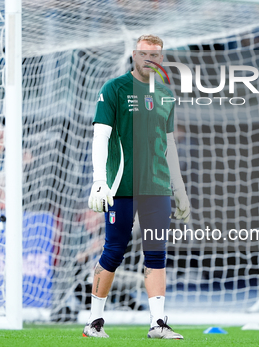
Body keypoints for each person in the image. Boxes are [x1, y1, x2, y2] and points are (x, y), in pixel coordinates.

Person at [83, 34, 190, 339]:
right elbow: (100, 136)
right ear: (134, 55)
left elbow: (168, 145)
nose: (149, 60)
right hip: (122, 185)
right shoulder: (114, 89)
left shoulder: (166, 94)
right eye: (144, 54)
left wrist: (178, 188)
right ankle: (94, 322)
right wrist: (99, 180)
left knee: (157, 253)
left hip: (157, 187)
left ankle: (157, 323)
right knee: (114, 251)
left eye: (155, 55)